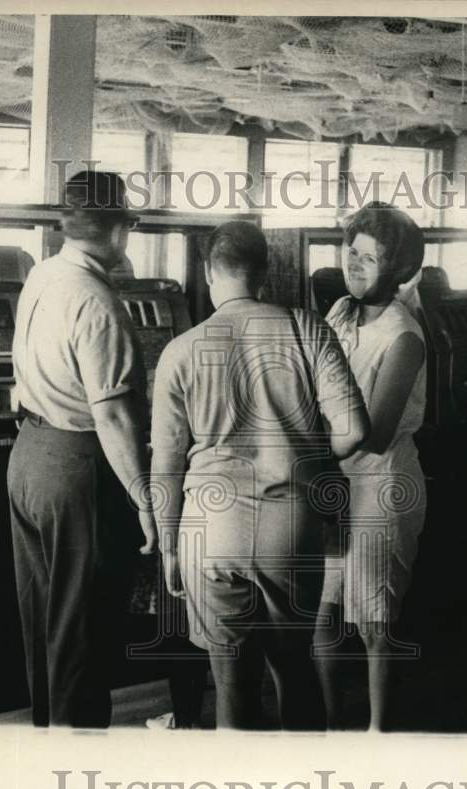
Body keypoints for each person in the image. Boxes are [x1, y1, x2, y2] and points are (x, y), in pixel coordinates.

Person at [150, 220, 369, 731]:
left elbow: (165, 463)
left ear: (209, 273)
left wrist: (167, 547)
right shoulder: (307, 328)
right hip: (288, 526)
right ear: (265, 272)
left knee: (231, 684)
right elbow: (356, 429)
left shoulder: (179, 351)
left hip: (210, 529)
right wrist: (304, 455)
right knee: (294, 669)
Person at [8, 170, 156, 727]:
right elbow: (114, 414)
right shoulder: (97, 301)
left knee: (45, 619)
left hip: (29, 455)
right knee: (84, 628)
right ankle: (77, 763)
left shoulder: (43, 275)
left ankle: (51, 737)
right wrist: (145, 497)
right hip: (76, 466)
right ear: (119, 230)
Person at [314, 201, 428, 731]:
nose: (355, 265)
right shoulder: (339, 312)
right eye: (350, 251)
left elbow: (376, 433)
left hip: (381, 484)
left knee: (374, 620)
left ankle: (379, 734)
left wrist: (306, 449)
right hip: (335, 480)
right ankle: (333, 722)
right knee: (323, 614)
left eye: (371, 258)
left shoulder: (403, 336)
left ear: (400, 269)